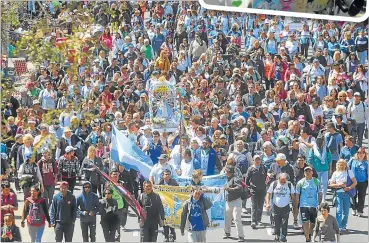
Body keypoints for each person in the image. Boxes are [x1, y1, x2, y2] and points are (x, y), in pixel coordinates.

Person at [329, 159, 357, 233]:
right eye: (340, 164)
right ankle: (339, 226)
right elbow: (331, 184)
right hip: (338, 193)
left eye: (343, 164)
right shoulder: (335, 173)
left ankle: (344, 225)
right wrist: (339, 185)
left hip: (347, 194)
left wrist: (349, 188)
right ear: (337, 165)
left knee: (346, 212)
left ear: (345, 165)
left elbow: (355, 182)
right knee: (339, 211)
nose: (341, 166)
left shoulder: (349, 172)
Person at [266, 173, 296, 242]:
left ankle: (283, 236)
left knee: (285, 222)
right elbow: (268, 193)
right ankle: (277, 235)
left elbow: (293, 195)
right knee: (276, 222)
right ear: (278, 179)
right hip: (276, 206)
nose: (282, 183)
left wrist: (294, 205)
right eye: (281, 181)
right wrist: (267, 203)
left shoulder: (289, 184)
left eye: (284, 181)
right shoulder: (274, 184)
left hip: (286, 206)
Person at [295, 167, 323, 242]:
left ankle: (309, 234)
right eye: (306, 171)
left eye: (309, 171)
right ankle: (307, 238)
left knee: (312, 223)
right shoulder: (300, 182)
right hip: (304, 205)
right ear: (304, 173)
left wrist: (320, 203)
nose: (308, 172)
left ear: (312, 172)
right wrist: (296, 205)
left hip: (313, 205)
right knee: (305, 222)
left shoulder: (316, 181)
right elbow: (297, 195)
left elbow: (320, 193)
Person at [223, 165, 245, 242]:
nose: (225, 172)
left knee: (236, 218)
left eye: (226, 171)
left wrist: (230, 189)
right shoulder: (226, 178)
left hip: (236, 201)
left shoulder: (235, 179)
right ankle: (227, 233)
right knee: (227, 218)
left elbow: (240, 187)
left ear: (228, 172)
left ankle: (241, 236)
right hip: (228, 201)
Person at [245, 154, 267, 229]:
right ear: (253, 161)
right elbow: (247, 180)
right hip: (253, 190)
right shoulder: (250, 169)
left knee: (260, 206)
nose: (257, 161)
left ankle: (259, 220)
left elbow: (267, 177)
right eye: (256, 160)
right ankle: (253, 221)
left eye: (259, 159)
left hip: (262, 190)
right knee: (254, 206)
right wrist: (248, 188)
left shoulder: (264, 168)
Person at [158, 169, 179, 242]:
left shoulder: (173, 182)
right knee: (164, 221)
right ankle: (166, 236)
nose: (167, 176)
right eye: (165, 174)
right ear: (163, 175)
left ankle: (173, 234)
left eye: (168, 174)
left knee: (171, 221)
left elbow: (178, 191)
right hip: (163, 204)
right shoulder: (160, 182)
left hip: (171, 204)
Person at [104, 169, 124, 241]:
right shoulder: (108, 184)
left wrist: (125, 206)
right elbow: (105, 195)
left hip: (120, 206)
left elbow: (126, 196)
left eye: (116, 174)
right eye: (113, 174)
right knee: (111, 224)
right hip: (111, 207)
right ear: (110, 175)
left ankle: (117, 237)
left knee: (118, 223)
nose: (115, 176)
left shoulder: (121, 183)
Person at [348, 147, 368, 217]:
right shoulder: (353, 161)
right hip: (353, 182)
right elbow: (347, 166)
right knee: (353, 196)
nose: (361, 154)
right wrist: (351, 159)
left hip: (363, 182)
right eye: (359, 152)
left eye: (362, 152)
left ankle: (360, 210)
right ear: (357, 153)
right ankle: (354, 208)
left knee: (361, 197)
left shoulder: (366, 163)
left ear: (364, 154)